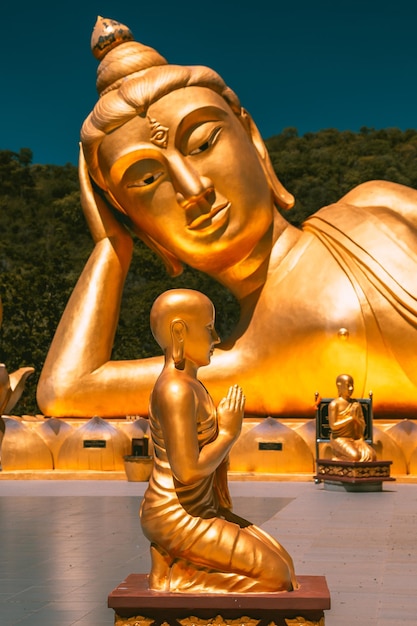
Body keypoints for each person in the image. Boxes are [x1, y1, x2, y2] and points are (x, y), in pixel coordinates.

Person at [37, 16, 417, 419]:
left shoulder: (374, 204)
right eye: (148, 179)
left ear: (253, 140)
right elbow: (67, 390)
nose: (193, 189)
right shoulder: (251, 354)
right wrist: (111, 247)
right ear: (142, 227)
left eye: (202, 142)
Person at [139, 288, 297, 592]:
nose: (216, 338)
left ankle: (174, 560)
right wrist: (227, 433)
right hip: (176, 513)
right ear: (179, 332)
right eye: (209, 328)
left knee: (285, 562)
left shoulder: (191, 385)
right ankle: (175, 574)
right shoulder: (176, 390)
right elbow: (186, 473)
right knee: (276, 577)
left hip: (201, 509)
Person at [328, 374, 377, 462]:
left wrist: (357, 421)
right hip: (340, 438)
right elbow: (333, 426)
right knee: (355, 456)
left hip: (355, 439)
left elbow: (362, 424)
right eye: (348, 385)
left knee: (372, 455)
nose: (351, 388)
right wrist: (350, 418)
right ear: (339, 386)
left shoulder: (355, 404)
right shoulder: (334, 404)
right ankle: (338, 457)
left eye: (352, 385)